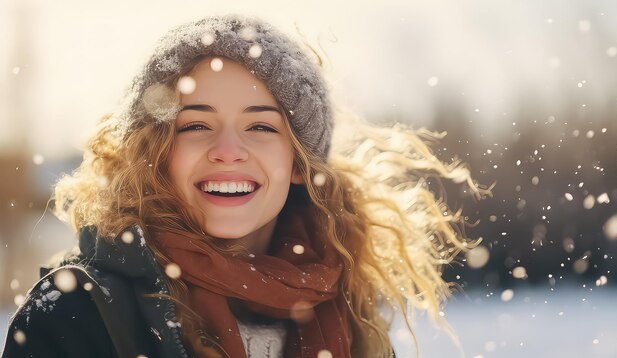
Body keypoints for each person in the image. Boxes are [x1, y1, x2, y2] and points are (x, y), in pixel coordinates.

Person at [2, 15, 488, 358]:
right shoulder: (76, 314)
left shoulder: (348, 314)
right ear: (157, 155)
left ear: (299, 163)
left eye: (260, 127)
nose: (228, 150)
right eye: (195, 125)